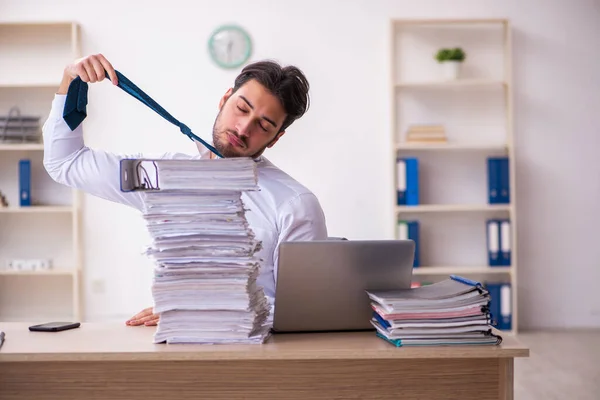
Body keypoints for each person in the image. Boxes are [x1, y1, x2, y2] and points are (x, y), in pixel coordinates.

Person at [42, 53, 328, 327]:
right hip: (172, 356)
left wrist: (195, 313)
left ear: (276, 138)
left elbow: (301, 313)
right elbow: (65, 162)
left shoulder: (295, 204)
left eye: (263, 126)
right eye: (241, 109)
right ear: (225, 99)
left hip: (256, 364)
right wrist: (71, 81)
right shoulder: (163, 176)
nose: (243, 129)